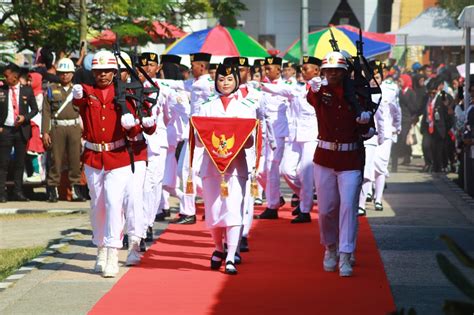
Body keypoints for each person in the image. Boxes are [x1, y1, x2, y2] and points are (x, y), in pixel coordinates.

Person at [72, 50, 142, 277]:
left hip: (118, 156)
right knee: (97, 205)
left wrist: (132, 124)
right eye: (98, 71)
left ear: (114, 72)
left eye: (107, 71)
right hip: (93, 156)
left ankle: (112, 252)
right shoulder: (88, 92)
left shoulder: (123, 94)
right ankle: (100, 247)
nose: (102, 75)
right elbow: (78, 101)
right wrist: (76, 93)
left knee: (113, 202)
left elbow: (135, 127)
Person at [306, 51, 373, 277]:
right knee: (325, 210)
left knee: (348, 208)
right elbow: (312, 99)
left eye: (337, 70)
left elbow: (367, 131)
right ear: (323, 72)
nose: (332, 74)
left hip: (350, 159)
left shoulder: (358, 94)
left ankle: (345, 253)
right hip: (324, 157)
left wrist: (365, 124)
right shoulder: (320, 91)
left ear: (345, 72)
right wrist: (311, 88)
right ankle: (330, 247)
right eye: (328, 70)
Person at [195, 63, 256, 275]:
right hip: (211, 166)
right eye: (221, 79)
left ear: (236, 81)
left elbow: (250, 143)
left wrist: (242, 136)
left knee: (233, 209)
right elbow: (199, 140)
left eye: (229, 80)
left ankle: (231, 255)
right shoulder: (205, 105)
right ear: (215, 81)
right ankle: (218, 248)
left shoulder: (246, 106)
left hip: (236, 166)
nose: (225, 83)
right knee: (213, 211)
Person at [260, 55, 320, 223]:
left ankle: (305, 210)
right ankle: (306, 197)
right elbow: (277, 89)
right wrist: (259, 85)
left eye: (306, 68)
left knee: (306, 173)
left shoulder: (320, 87)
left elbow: (319, 86)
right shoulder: (298, 88)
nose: (302, 71)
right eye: (302, 68)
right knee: (286, 170)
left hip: (311, 136)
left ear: (316, 70)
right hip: (295, 136)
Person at [42, 58, 85, 202]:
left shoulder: (77, 90)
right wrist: (45, 132)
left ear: (72, 74)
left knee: (75, 159)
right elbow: (46, 112)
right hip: (57, 127)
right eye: (62, 73)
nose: (65, 75)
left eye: (68, 73)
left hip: (74, 127)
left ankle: (76, 190)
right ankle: (52, 190)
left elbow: (83, 111)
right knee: (56, 159)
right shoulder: (51, 89)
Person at [254, 56, 289, 219]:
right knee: (260, 171)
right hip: (265, 133)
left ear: (278, 70)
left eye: (269, 69)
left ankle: (273, 205)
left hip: (280, 133)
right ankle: (277, 196)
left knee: (272, 167)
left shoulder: (287, 87)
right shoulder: (261, 87)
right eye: (264, 69)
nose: (266, 72)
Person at [0, 63, 38, 202]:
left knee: (19, 163)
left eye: (7, 76)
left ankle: (18, 192)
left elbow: (35, 109)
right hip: (6, 130)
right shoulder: (2, 90)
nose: (4, 78)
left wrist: (25, 117)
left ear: (15, 76)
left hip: (21, 130)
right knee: (3, 163)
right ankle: (2, 193)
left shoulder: (27, 90)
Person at [420, 77, 454, 173]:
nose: (431, 95)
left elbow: (449, 113)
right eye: (430, 92)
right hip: (428, 125)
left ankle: (439, 168)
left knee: (438, 149)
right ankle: (429, 163)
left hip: (439, 127)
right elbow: (422, 109)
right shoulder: (426, 97)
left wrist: (448, 127)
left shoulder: (443, 96)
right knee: (425, 145)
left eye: (433, 93)